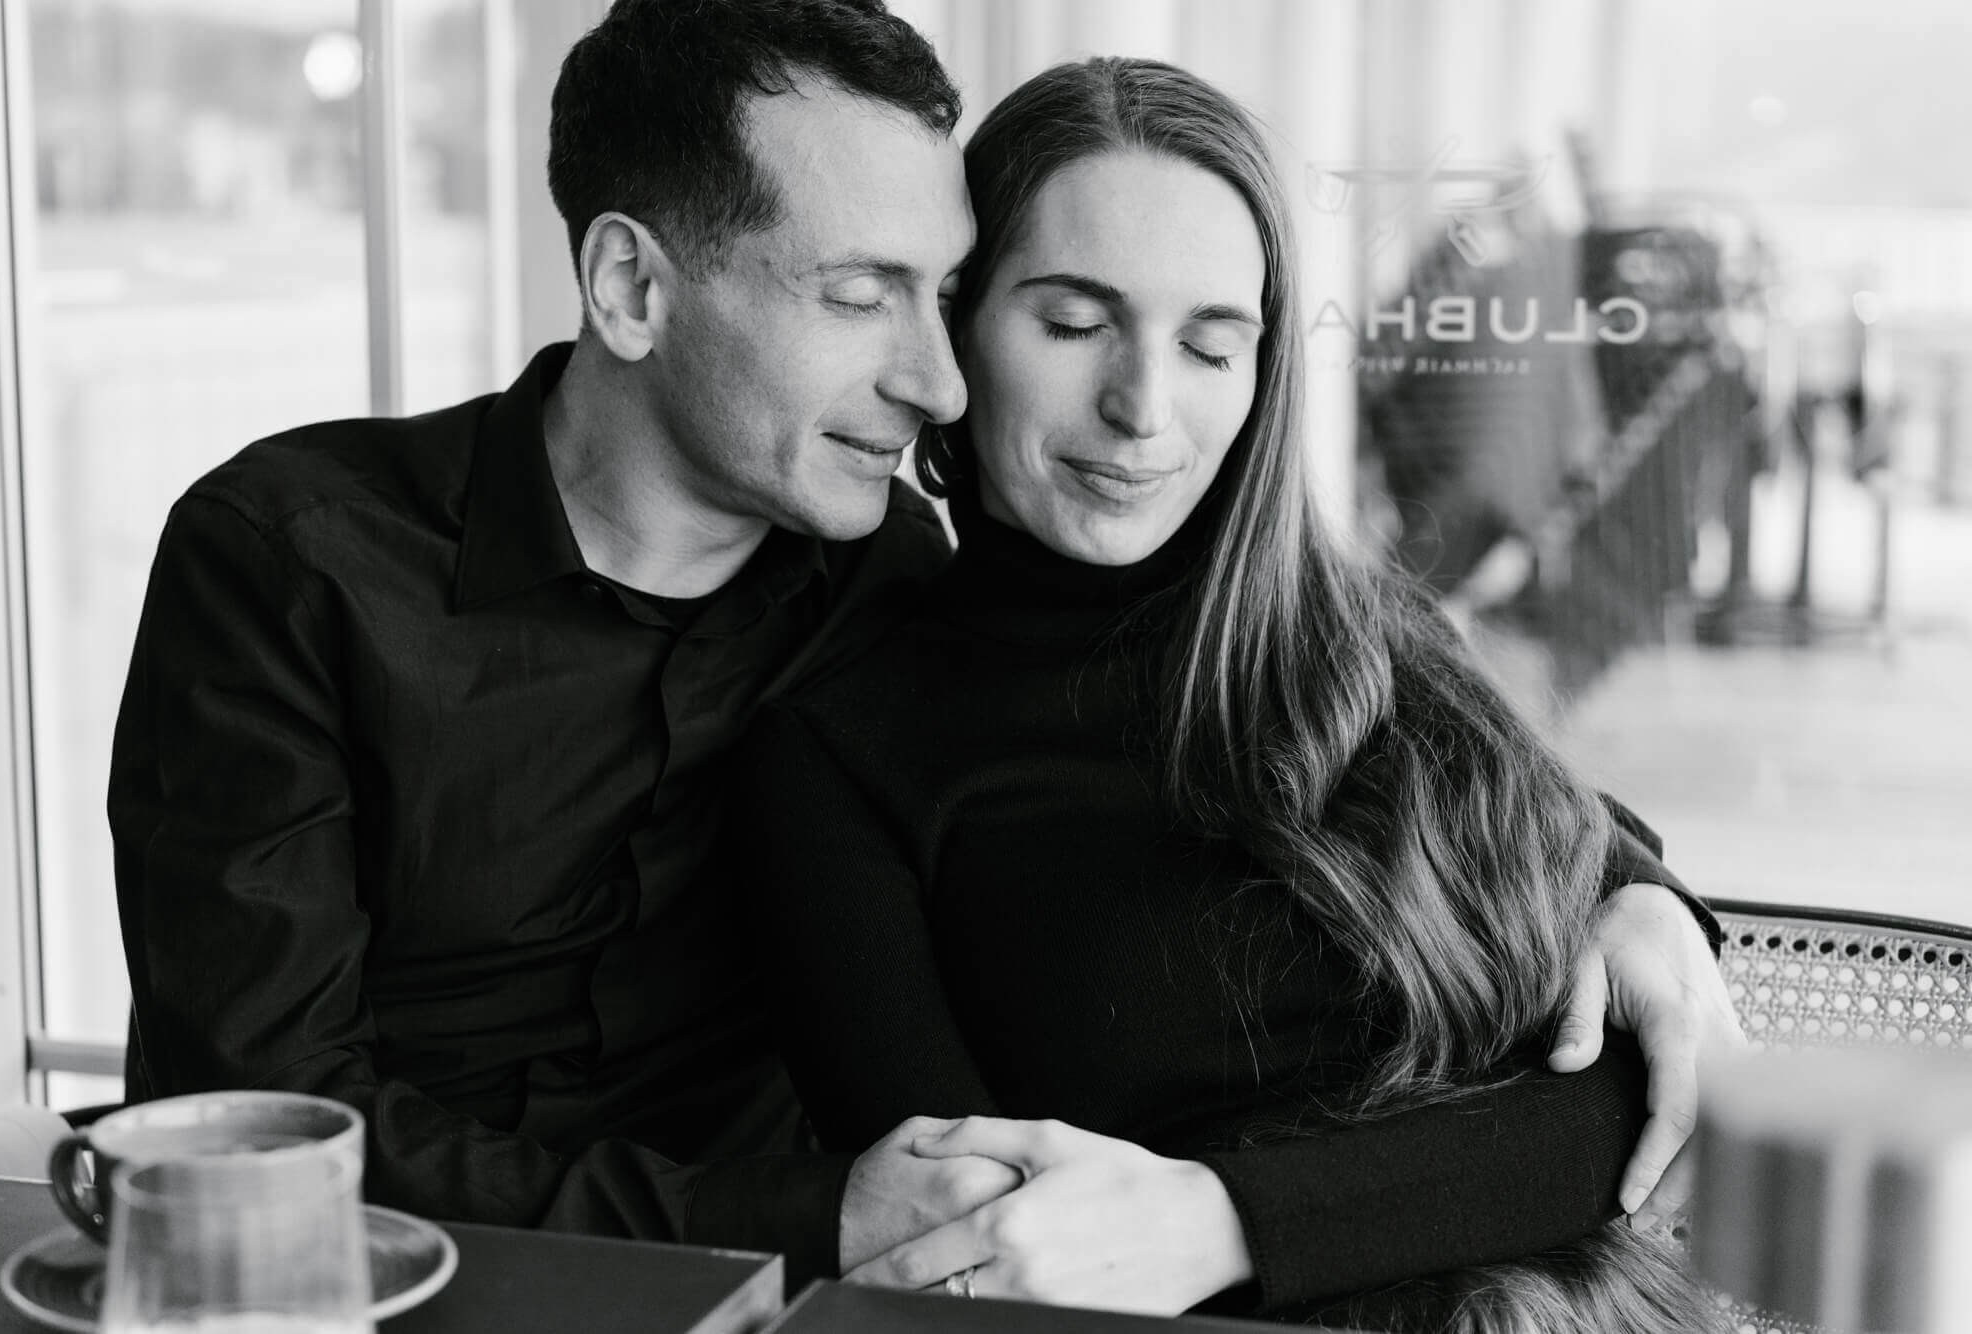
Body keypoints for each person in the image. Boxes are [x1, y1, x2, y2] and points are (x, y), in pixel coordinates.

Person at [109, 0, 1727, 1294]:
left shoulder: (885, 564)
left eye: (943, 293)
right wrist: (818, 1213)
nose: (939, 383)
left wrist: (1625, 877)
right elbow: (260, 1140)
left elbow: (1334, 695)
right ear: (629, 286)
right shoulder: (295, 561)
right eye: (864, 293)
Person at [730, 57, 1735, 1328]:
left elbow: (1643, 1105)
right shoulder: (836, 750)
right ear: (958, 322)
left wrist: (1220, 1217)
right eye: (1072, 323)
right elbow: (976, 1244)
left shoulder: (1366, 639)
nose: (1142, 408)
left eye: (1210, 343)